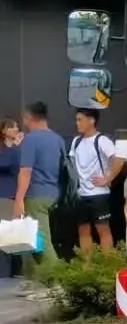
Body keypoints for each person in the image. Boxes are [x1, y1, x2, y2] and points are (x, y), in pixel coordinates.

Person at [14, 102, 68, 274]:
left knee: (41, 239)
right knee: (28, 237)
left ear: (30, 118)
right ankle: (31, 280)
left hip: (35, 194)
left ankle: (57, 281)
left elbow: (25, 172)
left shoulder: (31, 139)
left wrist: (19, 199)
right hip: (53, 193)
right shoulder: (57, 139)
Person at [70, 109, 119, 256]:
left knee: (103, 230)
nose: (77, 123)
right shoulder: (76, 141)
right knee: (83, 231)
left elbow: (118, 160)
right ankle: (88, 266)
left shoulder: (102, 140)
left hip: (99, 194)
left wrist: (108, 178)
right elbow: (72, 163)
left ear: (91, 120)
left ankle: (107, 263)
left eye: (80, 119)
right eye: (77, 119)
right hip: (81, 194)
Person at [0, 118, 21, 280]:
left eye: (16, 127)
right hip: (5, 195)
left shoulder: (20, 148)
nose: (16, 129)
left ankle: (17, 270)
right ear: (4, 131)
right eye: (12, 127)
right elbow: (4, 163)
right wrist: (14, 147)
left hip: (18, 195)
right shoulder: (5, 149)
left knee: (17, 234)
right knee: (5, 235)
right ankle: (5, 273)